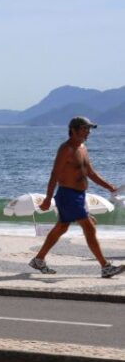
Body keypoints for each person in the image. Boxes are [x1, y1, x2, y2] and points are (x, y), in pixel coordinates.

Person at [30, 117, 124, 278]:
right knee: (89, 227)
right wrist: (47, 198)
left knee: (62, 227)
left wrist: (109, 186)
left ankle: (39, 259)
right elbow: (55, 174)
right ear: (73, 130)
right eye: (84, 128)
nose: (88, 132)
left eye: (89, 129)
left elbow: (91, 173)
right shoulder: (66, 149)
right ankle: (105, 266)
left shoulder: (82, 148)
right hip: (67, 195)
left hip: (79, 195)